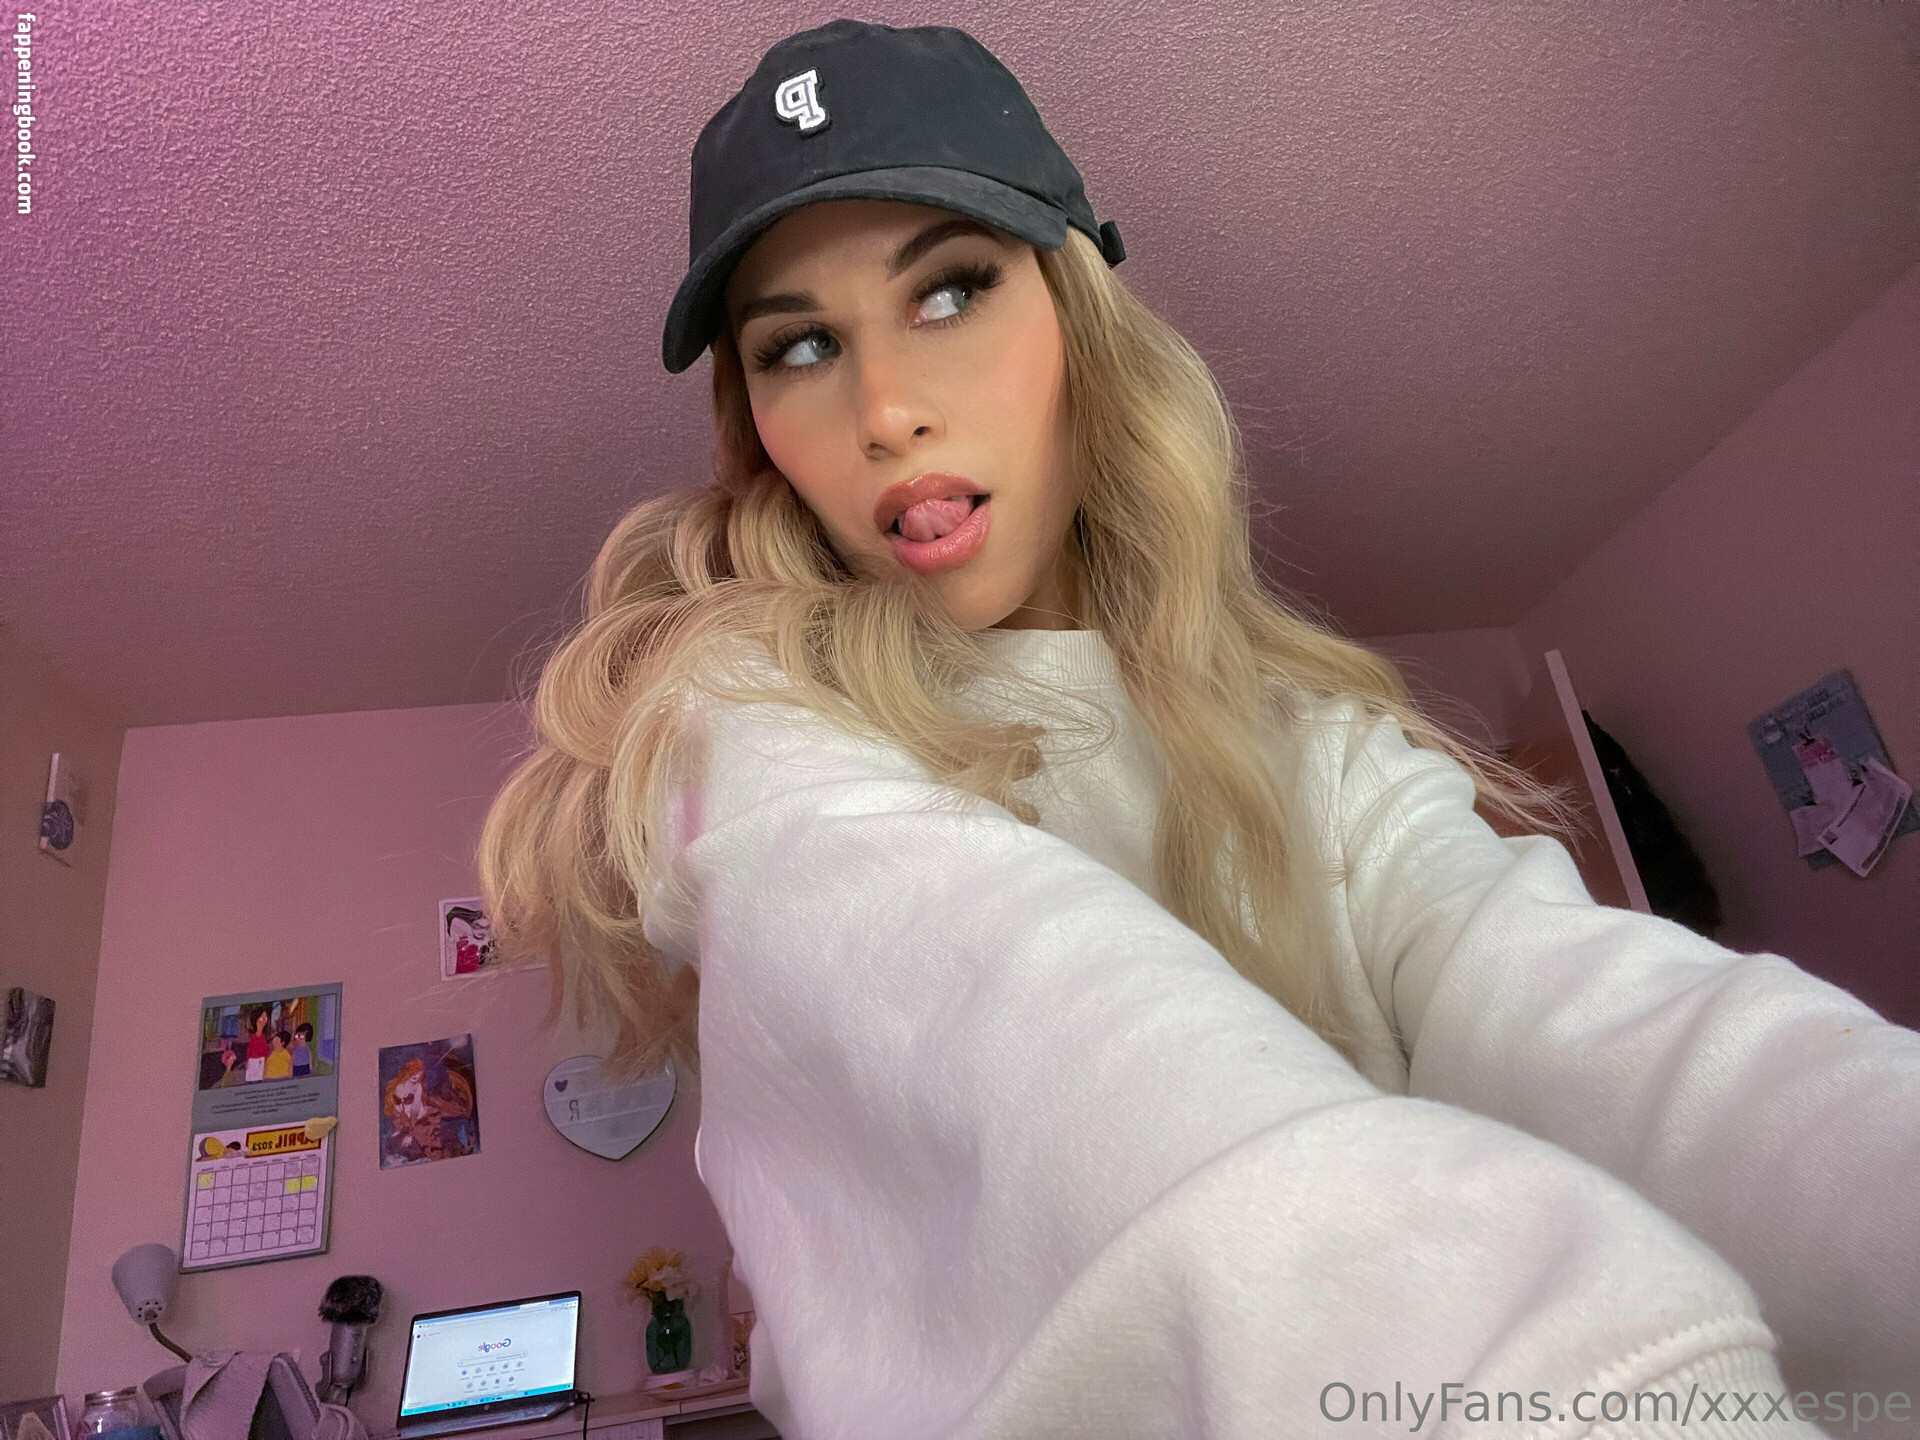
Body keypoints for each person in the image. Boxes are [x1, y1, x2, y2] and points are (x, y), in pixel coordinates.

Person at [477, 21, 1918, 1439]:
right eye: (799, 345)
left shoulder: (1310, 739)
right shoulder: (754, 726)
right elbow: (1088, 1087)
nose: (887, 409)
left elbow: (1606, 1024)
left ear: (1075, 311)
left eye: (951, 289)